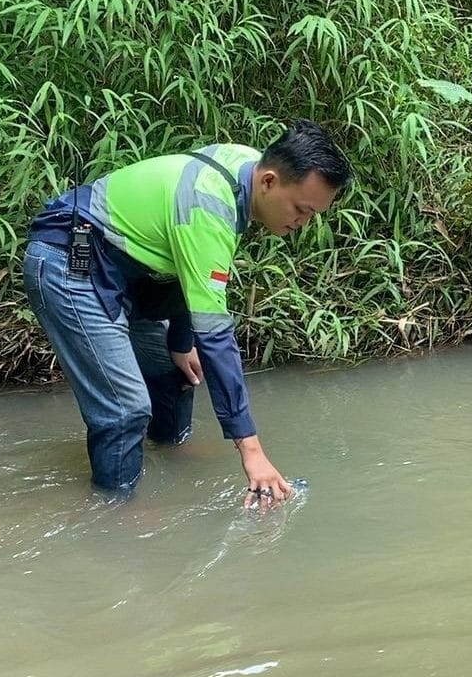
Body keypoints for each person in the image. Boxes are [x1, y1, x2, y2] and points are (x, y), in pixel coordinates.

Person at [22, 118, 352, 504]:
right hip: (70, 263)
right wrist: (251, 450)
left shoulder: (247, 166)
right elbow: (216, 338)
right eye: (301, 209)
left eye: (312, 214)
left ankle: (170, 446)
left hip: (121, 269)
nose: (303, 222)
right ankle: (115, 510)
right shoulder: (211, 206)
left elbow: (184, 264)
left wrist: (179, 341)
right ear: (269, 182)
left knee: (175, 365)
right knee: (126, 409)